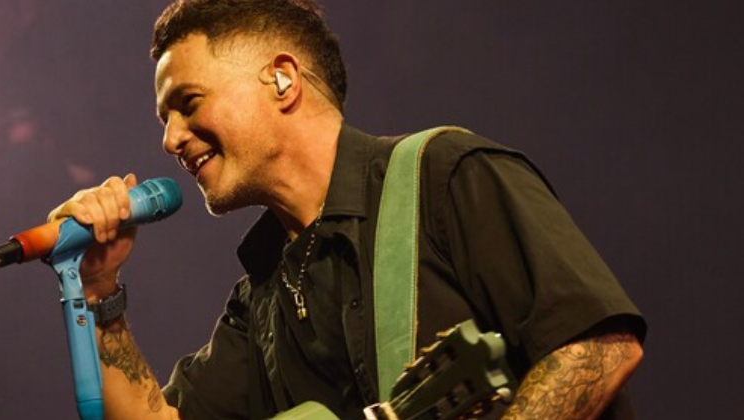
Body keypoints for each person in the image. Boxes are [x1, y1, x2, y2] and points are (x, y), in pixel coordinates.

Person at [47, 1, 646, 419]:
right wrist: (99, 289)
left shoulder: (445, 174)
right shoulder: (263, 294)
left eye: (188, 102)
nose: (171, 138)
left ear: (283, 80)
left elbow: (598, 348)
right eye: (165, 118)